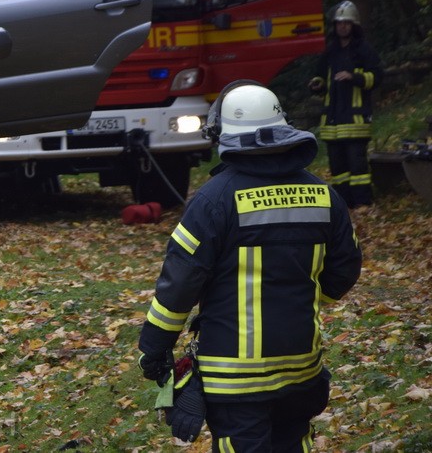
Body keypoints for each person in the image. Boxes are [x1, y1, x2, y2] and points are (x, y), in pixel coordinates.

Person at [137, 81, 362, 451]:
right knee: (294, 441)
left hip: (235, 378)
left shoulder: (213, 201)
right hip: (301, 367)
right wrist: (301, 301)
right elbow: (345, 269)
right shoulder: (325, 195)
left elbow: (179, 286)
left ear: (225, 134)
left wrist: (154, 346)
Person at [308, 0, 383, 207]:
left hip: (355, 119)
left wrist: (354, 77)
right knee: (338, 168)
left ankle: (363, 204)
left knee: (358, 166)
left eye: (347, 23)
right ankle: (343, 205)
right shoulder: (330, 52)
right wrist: (317, 85)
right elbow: (321, 78)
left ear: (354, 26)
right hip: (333, 123)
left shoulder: (363, 50)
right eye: (339, 23)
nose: (343, 26)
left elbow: (377, 77)